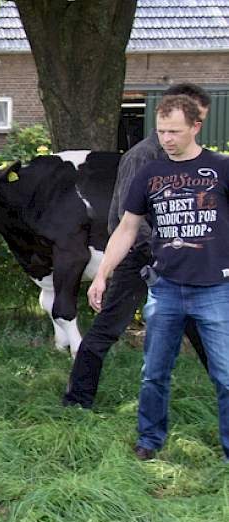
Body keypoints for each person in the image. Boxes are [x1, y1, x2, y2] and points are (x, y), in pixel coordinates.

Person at [88, 95, 229, 461]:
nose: (166, 138)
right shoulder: (149, 174)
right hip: (165, 290)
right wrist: (102, 274)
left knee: (227, 376)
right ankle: (149, 441)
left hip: (215, 290)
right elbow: (127, 228)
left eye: (174, 131)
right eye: (161, 131)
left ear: (196, 127)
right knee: (154, 374)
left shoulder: (221, 169)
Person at [63, 83, 211, 409]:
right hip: (139, 259)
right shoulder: (142, 157)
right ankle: (76, 400)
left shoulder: (190, 160)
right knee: (106, 330)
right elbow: (126, 218)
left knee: (203, 332)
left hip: (178, 262)